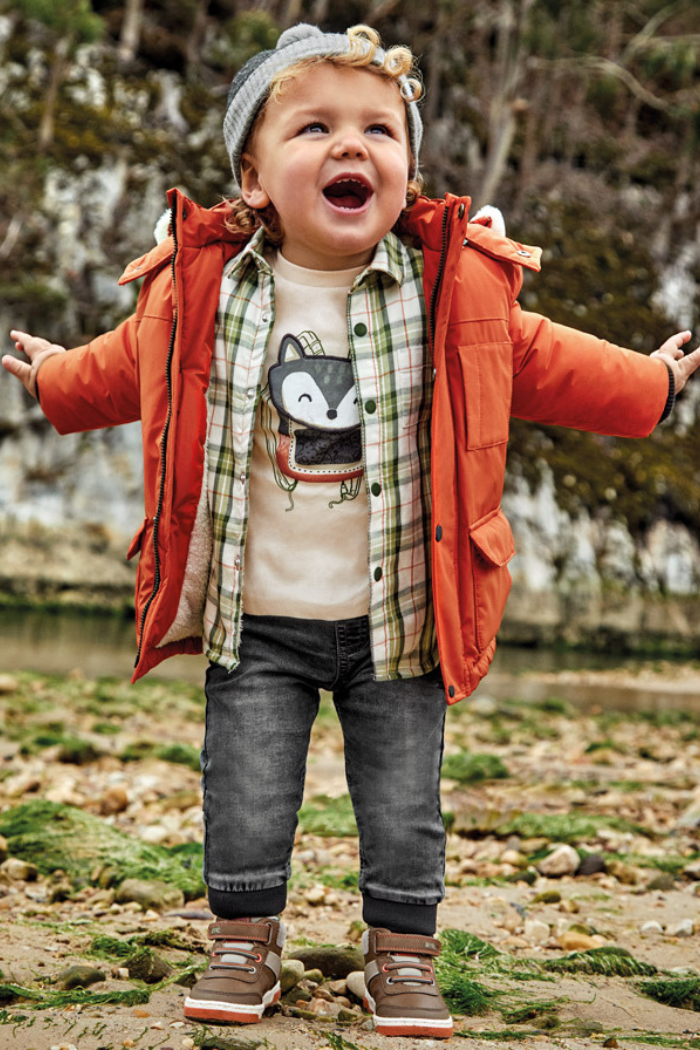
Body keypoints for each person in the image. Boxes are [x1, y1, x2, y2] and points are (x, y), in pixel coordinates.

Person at [3, 22, 699, 1040]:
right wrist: (56, 383)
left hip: (402, 617)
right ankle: (244, 943)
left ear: (408, 171)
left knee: (404, 802)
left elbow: (547, 361)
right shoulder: (201, 289)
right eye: (313, 127)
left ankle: (399, 959)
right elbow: (125, 369)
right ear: (251, 177)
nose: (349, 146)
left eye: (378, 129)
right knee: (243, 787)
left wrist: (651, 386)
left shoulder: (450, 286)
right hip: (259, 616)